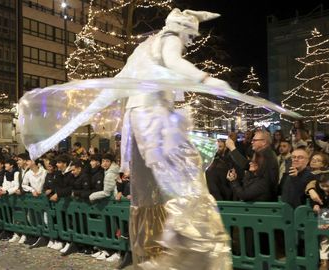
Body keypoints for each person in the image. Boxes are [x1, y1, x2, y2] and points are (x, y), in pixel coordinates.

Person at [16, 8, 300, 269]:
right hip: (155, 118)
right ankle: (185, 249)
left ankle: (154, 251)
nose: (188, 41)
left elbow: (111, 90)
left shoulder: (141, 50)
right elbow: (174, 61)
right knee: (184, 182)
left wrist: (69, 119)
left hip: (139, 121)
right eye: (189, 35)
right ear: (181, 28)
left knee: (149, 194)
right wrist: (206, 80)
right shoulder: (169, 38)